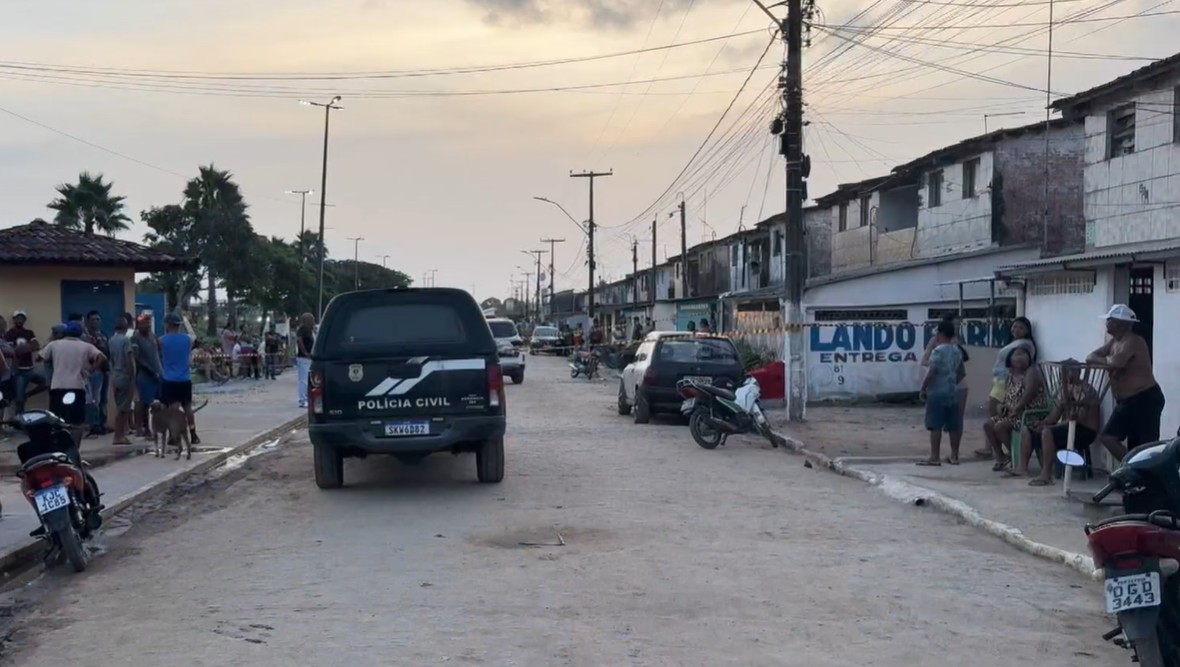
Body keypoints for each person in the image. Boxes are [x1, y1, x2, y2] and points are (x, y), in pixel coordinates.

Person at [1086, 304, 1165, 461]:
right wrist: (1107, 361)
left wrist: (1106, 361)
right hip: (1127, 401)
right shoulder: (1114, 342)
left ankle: (1139, 473)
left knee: (1144, 447)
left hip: (1144, 398)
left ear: (1119, 323)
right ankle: (1132, 469)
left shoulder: (1134, 341)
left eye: (1110, 320)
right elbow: (1090, 357)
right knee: (1110, 438)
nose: (1107, 323)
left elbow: (1118, 363)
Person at [1021, 360, 1102, 486]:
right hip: (1068, 426)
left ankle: (1046, 474)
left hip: (1084, 430)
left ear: (1076, 373)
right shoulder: (1065, 389)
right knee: (1028, 430)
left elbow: (1077, 419)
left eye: (1066, 373)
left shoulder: (1086, 391)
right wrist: (1042, 423)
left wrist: (1048, 427)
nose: (1063, 377)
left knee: (1047, 432)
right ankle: (1022, 468)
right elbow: (1055, 415)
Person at [974, 316, 1039, 458]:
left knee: (994, 412)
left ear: (1028, 330)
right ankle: (995, 449)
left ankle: (1007, 453)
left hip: (1003, 381)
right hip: (1001, 379)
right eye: (1015, 326)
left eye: (1021, 327)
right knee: (993, 414)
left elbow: (1029, 391)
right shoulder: (1015, 343)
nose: (1016, 329)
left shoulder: (1024, 345)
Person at [982, 347, 1047, 471]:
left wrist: (1017, 409)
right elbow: (1006, 398)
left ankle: (1015, 455)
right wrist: (1001, 407)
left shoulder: (1031, 372)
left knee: (1000, 427)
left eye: (1024, 354)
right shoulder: (1009, 377)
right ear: (1010, 360)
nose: (1021, 357)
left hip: (1028, 414)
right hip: (1013, 414)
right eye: (1017, 355)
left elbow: (1030, 391)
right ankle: (1001, 457)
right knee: (988, 425)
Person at [38, 322, 105, 442]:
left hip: (58, 387)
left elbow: (40, 357)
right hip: (77, 387)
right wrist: (91, 369)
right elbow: (102, 358)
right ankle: (74, 445)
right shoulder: (86, 346)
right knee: (77, 421)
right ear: (80, 333)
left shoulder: (54, 344)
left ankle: (58, 443)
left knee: (56, 418)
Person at [918, 320, 965, 466]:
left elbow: (931, 372)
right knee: (954, 426)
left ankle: (934, 456)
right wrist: (951, 382)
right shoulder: (957, 350)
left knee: (935, 425)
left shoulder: (937, 351)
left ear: (940, 334)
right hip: (953, 393)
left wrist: (923, 388)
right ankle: (955, 456)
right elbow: (962, 373)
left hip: (937, 393)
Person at [922, 314, 970, 431]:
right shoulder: (936, 341)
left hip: (958, 383)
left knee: (957, 421)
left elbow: (964, 365)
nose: (957, 327)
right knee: (936, 423)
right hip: (943, 382)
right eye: (955, 324)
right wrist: (943, 366)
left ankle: (955, 449)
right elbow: (925, 360)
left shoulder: (960, 340)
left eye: (959, 324)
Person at [159, 312, 200, 444]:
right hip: (185, 379)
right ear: (178, 325)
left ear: (167, 325)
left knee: (173, 409)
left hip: (169, 379)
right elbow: (194, 337)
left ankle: (173, 436)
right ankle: (193, 434)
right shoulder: (187, 339)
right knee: (187, 408)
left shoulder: (162, 340)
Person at [4, 310, 46, 413]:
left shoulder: (29, 332)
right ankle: (19, 422)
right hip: (18, 371)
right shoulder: (9, 334)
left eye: (22, 318)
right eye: (18, 318)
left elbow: (36, 345)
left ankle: (27, 395)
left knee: (45, 383)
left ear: (24, 320)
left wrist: (22, 349)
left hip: (30, 369)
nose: (20, 320)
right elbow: (11, 351)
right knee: (19, 400)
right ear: (14, 319)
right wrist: (27, 347)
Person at [131, 315, 162, 438]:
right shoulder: (135, 338)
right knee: (143, 403)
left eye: (148, 324)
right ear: (139, 325)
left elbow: (159, 352)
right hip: (144, 375)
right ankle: (142, 428)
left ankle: (155, 427)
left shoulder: (153, 337)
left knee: (157, 403)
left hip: (158, 373)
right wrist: (150, 371)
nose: (147, 326)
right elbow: (137, 358)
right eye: (144, 324)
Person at [107, 315, 136, 445]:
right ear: (126, 327)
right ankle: (119, 436)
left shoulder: (111, 340)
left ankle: (120, 435)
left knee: (120, 406)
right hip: (125, 376)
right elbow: (128, 359)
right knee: (124, 409)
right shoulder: (125, 341)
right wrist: (132, 376)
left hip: (115, 376)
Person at [83, 310, 110, 437]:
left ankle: (102, 423)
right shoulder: (85, 337)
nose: (96, 322)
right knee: (93, 399)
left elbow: (107, 353)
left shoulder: (103, 336)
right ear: (88, 321)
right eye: (93, 319)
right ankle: (94, 425)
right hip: (92, 370)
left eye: (98, 319)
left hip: (103, 371)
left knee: (103, 399)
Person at [295, 313, 315, 408]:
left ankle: (306, 398)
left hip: (308, 358)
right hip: (304, 358)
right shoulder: (303, 329)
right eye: (312, 319)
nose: (313, 321)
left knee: (307, 379)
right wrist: (305, 352)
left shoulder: (310, 330)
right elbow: (299, 340)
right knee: (303, 380)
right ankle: (302, 400)